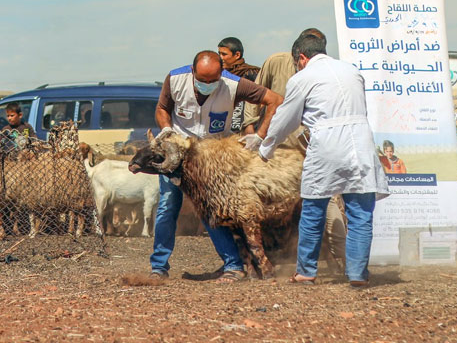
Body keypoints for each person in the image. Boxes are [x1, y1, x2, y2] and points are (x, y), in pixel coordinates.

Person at [257, 31, 389, 287]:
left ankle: (306, 271)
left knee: (314, 209)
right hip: (360, 143)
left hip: (327, 144)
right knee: (360, 212)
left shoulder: (302, 78)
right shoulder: (352, 71)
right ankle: (358, 273)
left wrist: (266, 147)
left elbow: (286, 118)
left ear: (302, 58)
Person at [151, 50, 283, 282]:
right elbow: (162, 108)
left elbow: (275, 100)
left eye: (214, 81)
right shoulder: (175, 80)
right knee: (167, 206)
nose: (208, 85)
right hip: (178, 154)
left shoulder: (234, 85)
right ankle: (158, 267)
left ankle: (233, 265)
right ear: (193, 72)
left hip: (213, 160)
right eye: (203, 81)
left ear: (222, 73)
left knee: (212, 211)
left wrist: (260, 135)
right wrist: (166, 129)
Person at [243, 28, 347, 272]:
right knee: (268, 210)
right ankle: (266, 262)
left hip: (310, 154)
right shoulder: (276, 63)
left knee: (321, 210)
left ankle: (341, 260)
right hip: (277, 155)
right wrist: (250, 129)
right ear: (300, 53)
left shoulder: (325, 73)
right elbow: (255, 94)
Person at [217, 37, 260, 133]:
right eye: (219, 54)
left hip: (249, 127)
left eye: (224, 54)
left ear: (237, 55)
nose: (220, 58)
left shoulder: (251, 73)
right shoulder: (220, 75)